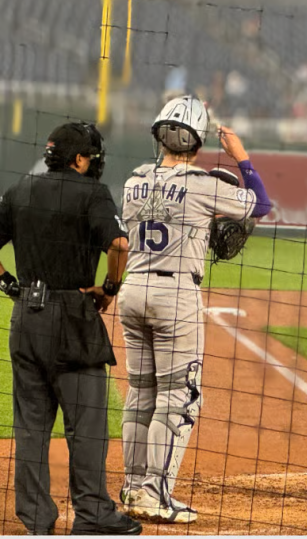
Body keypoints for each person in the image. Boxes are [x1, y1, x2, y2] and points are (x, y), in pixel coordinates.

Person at [118, 96, 272, 523]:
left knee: (141, 393)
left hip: (133, 290)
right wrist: (240, 155)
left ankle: (133, 487)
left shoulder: (133, 181)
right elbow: (261, 204)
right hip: (174, 298)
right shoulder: (203, 185)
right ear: (198, 143)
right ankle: (155, 494)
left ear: (158, 136)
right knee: (179, 396)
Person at [0, 122, 142, 535]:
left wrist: (8, 284)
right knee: (87, 423)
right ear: (78, 159)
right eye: (90, 157)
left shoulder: (20, 189)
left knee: (31, 425)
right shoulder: (91, 193)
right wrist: (110, 288)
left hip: (26, 317)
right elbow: (119, 245)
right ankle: (93, 514)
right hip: (72, 316)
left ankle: (36, 520)